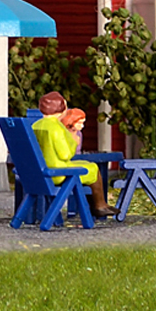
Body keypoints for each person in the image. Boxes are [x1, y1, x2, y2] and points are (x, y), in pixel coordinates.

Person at [30, 91, 109, 219]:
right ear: (61, 108)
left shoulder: (36, 125)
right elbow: (65, 154)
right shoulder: (56, 127)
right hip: (58, 172)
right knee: (93, 168)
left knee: (85, 165)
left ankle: (99, 206)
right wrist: (74, 142)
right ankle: (99, 205)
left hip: (40, 170)